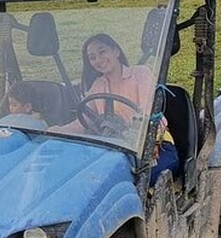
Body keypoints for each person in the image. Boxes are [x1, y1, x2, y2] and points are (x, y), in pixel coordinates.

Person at [49, 33, 177, 183]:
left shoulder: (140, 74)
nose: (98, 59)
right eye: (92, 57)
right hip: (115, 149)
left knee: (131, 179)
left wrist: (129, 131)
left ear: (116, 51)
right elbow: (85, 121)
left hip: (154, 146)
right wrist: (58, 130)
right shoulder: (98, 85)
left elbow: (146, 111)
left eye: (102, 51)